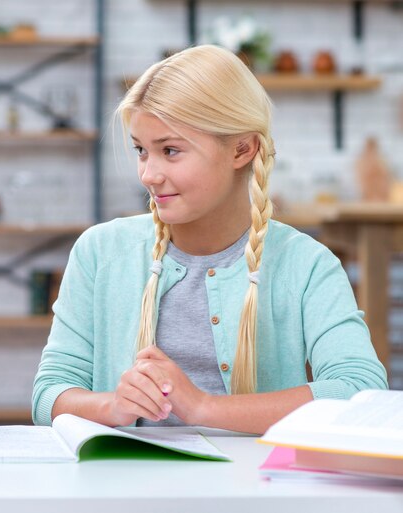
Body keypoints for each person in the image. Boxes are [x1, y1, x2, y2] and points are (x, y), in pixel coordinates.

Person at [32, 45, 387, 434]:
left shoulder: (306, 264)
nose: (149, 174)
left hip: (257, 488)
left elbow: (360, 391)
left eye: (170, 150)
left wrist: (203, 407)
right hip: (127, 485)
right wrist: (112, 405)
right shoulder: (99, 252)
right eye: (141, 151)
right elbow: (49, 394)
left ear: (242, 148)